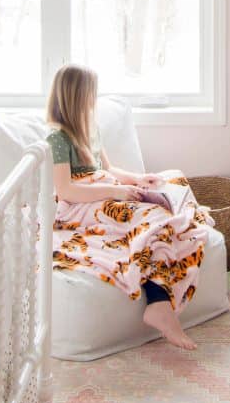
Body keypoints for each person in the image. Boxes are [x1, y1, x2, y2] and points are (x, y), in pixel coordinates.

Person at [47, 63, 198, 350]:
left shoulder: (90, 128)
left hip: (106, 189)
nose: (95, 98)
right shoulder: (57, 138)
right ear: (76, 96)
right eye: (91, 93)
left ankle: (160, 300)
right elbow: (66, 190)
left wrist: (139, 180)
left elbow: (110, 167)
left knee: (174, 181)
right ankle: (158, 302)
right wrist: (118, 192)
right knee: (152, 217)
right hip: (81, 203)